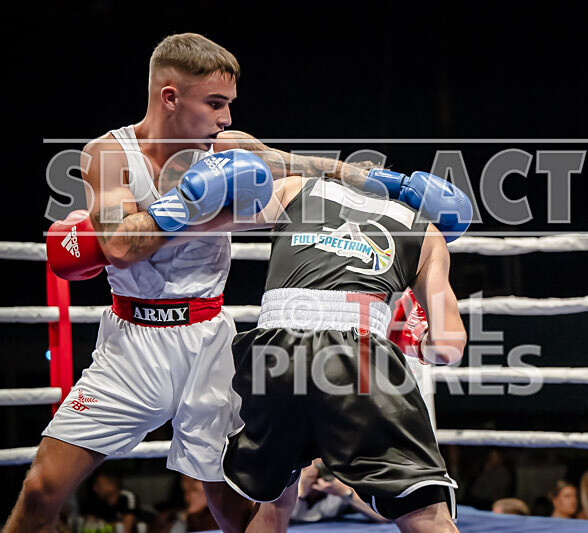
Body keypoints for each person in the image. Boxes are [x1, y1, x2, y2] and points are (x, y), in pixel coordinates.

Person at [6, 32, 366, 533]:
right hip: (130, 345)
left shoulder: (229, 147)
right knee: (42, 488)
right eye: (215, 103)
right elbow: (117, 245)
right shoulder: (108, 154)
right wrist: (204, 206)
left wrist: (391, 185)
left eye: (229, 104)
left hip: (208, 343)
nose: (227, 119)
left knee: (230, 506)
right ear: (170, 97)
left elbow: (304, 170)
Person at [219, 168, 471, 532]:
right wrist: (416, 338)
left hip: (272, 355)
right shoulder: (428, 235)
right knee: (427, 516)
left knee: (272, 506)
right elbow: (449, 347)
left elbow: (212, 214)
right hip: (358, 358)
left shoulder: (298, 187)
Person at [292, 460, 389, 523]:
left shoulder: (340, 480)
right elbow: (281, 520)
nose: (319, 467)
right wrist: (302, 493)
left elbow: (384, 518)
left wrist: (346, 493)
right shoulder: (290, 484)